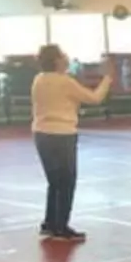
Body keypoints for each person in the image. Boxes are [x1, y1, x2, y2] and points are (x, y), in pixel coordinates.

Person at [30, 45, 113, 242]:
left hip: (41, 133)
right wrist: (107, 79)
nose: (66, 58)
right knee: (67, 181)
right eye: (63, 55)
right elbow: (94, 98)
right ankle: (61, 227)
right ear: (57, 60)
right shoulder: (64, 81)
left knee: (54, 181)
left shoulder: (39, 79)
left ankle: (50, 223)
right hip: (62, 134)